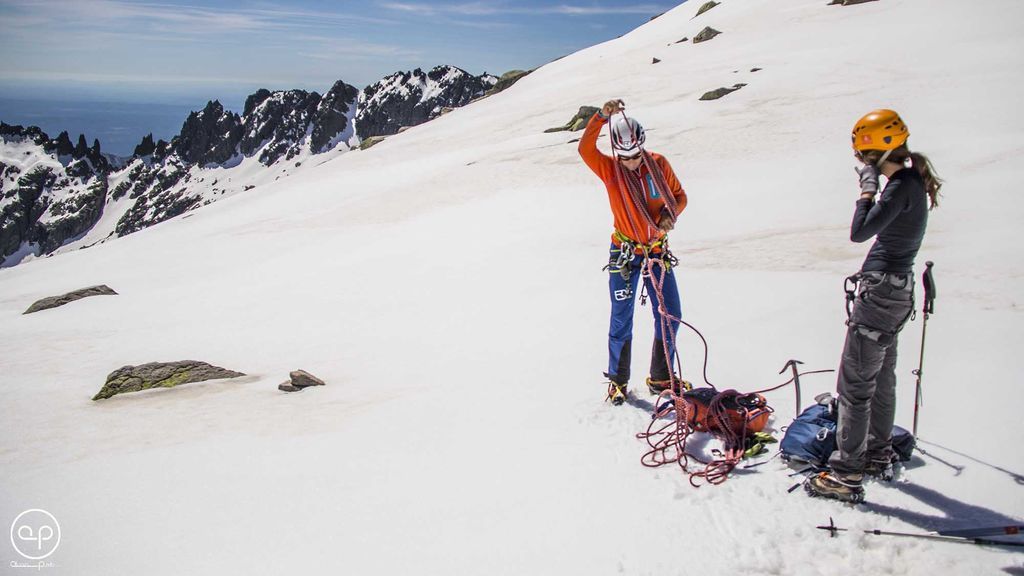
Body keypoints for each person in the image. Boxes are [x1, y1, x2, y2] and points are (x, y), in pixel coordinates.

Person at [807, 109, 943, 502]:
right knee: (881, 377)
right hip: (896, 293)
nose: (864, 166)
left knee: (855, 385)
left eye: (865, 159)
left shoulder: (899, 186)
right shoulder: (910, 182)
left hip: (881, 293)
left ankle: (846, 474)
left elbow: (860, 232)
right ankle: (875, 452)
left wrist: (866, 191)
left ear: (878, 151)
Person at [578, 99, 688, 406]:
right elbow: (585, 150)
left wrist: (671, 215)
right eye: (625, 156)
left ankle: (661, 376)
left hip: (655, 251)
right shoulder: (610, 169)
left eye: (636, 155)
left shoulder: (658, 164)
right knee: (621, 318)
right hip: (625, 252)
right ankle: (617, 380)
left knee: (670, 314)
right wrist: (600, 117)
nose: (631, 162)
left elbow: (679, 196)